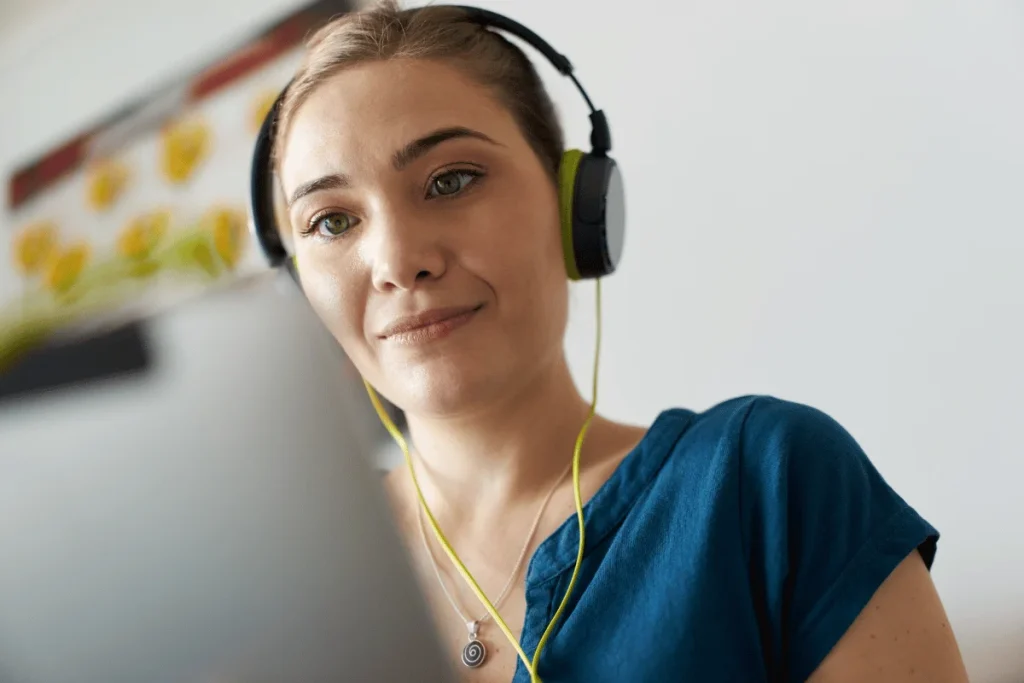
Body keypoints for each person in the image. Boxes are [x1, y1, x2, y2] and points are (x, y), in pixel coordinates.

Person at [268, 2, 970, 681]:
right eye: (331, 222)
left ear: (578, 205)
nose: (397, 261)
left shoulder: (765, 480)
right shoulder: (277, 578)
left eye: (452, 180)